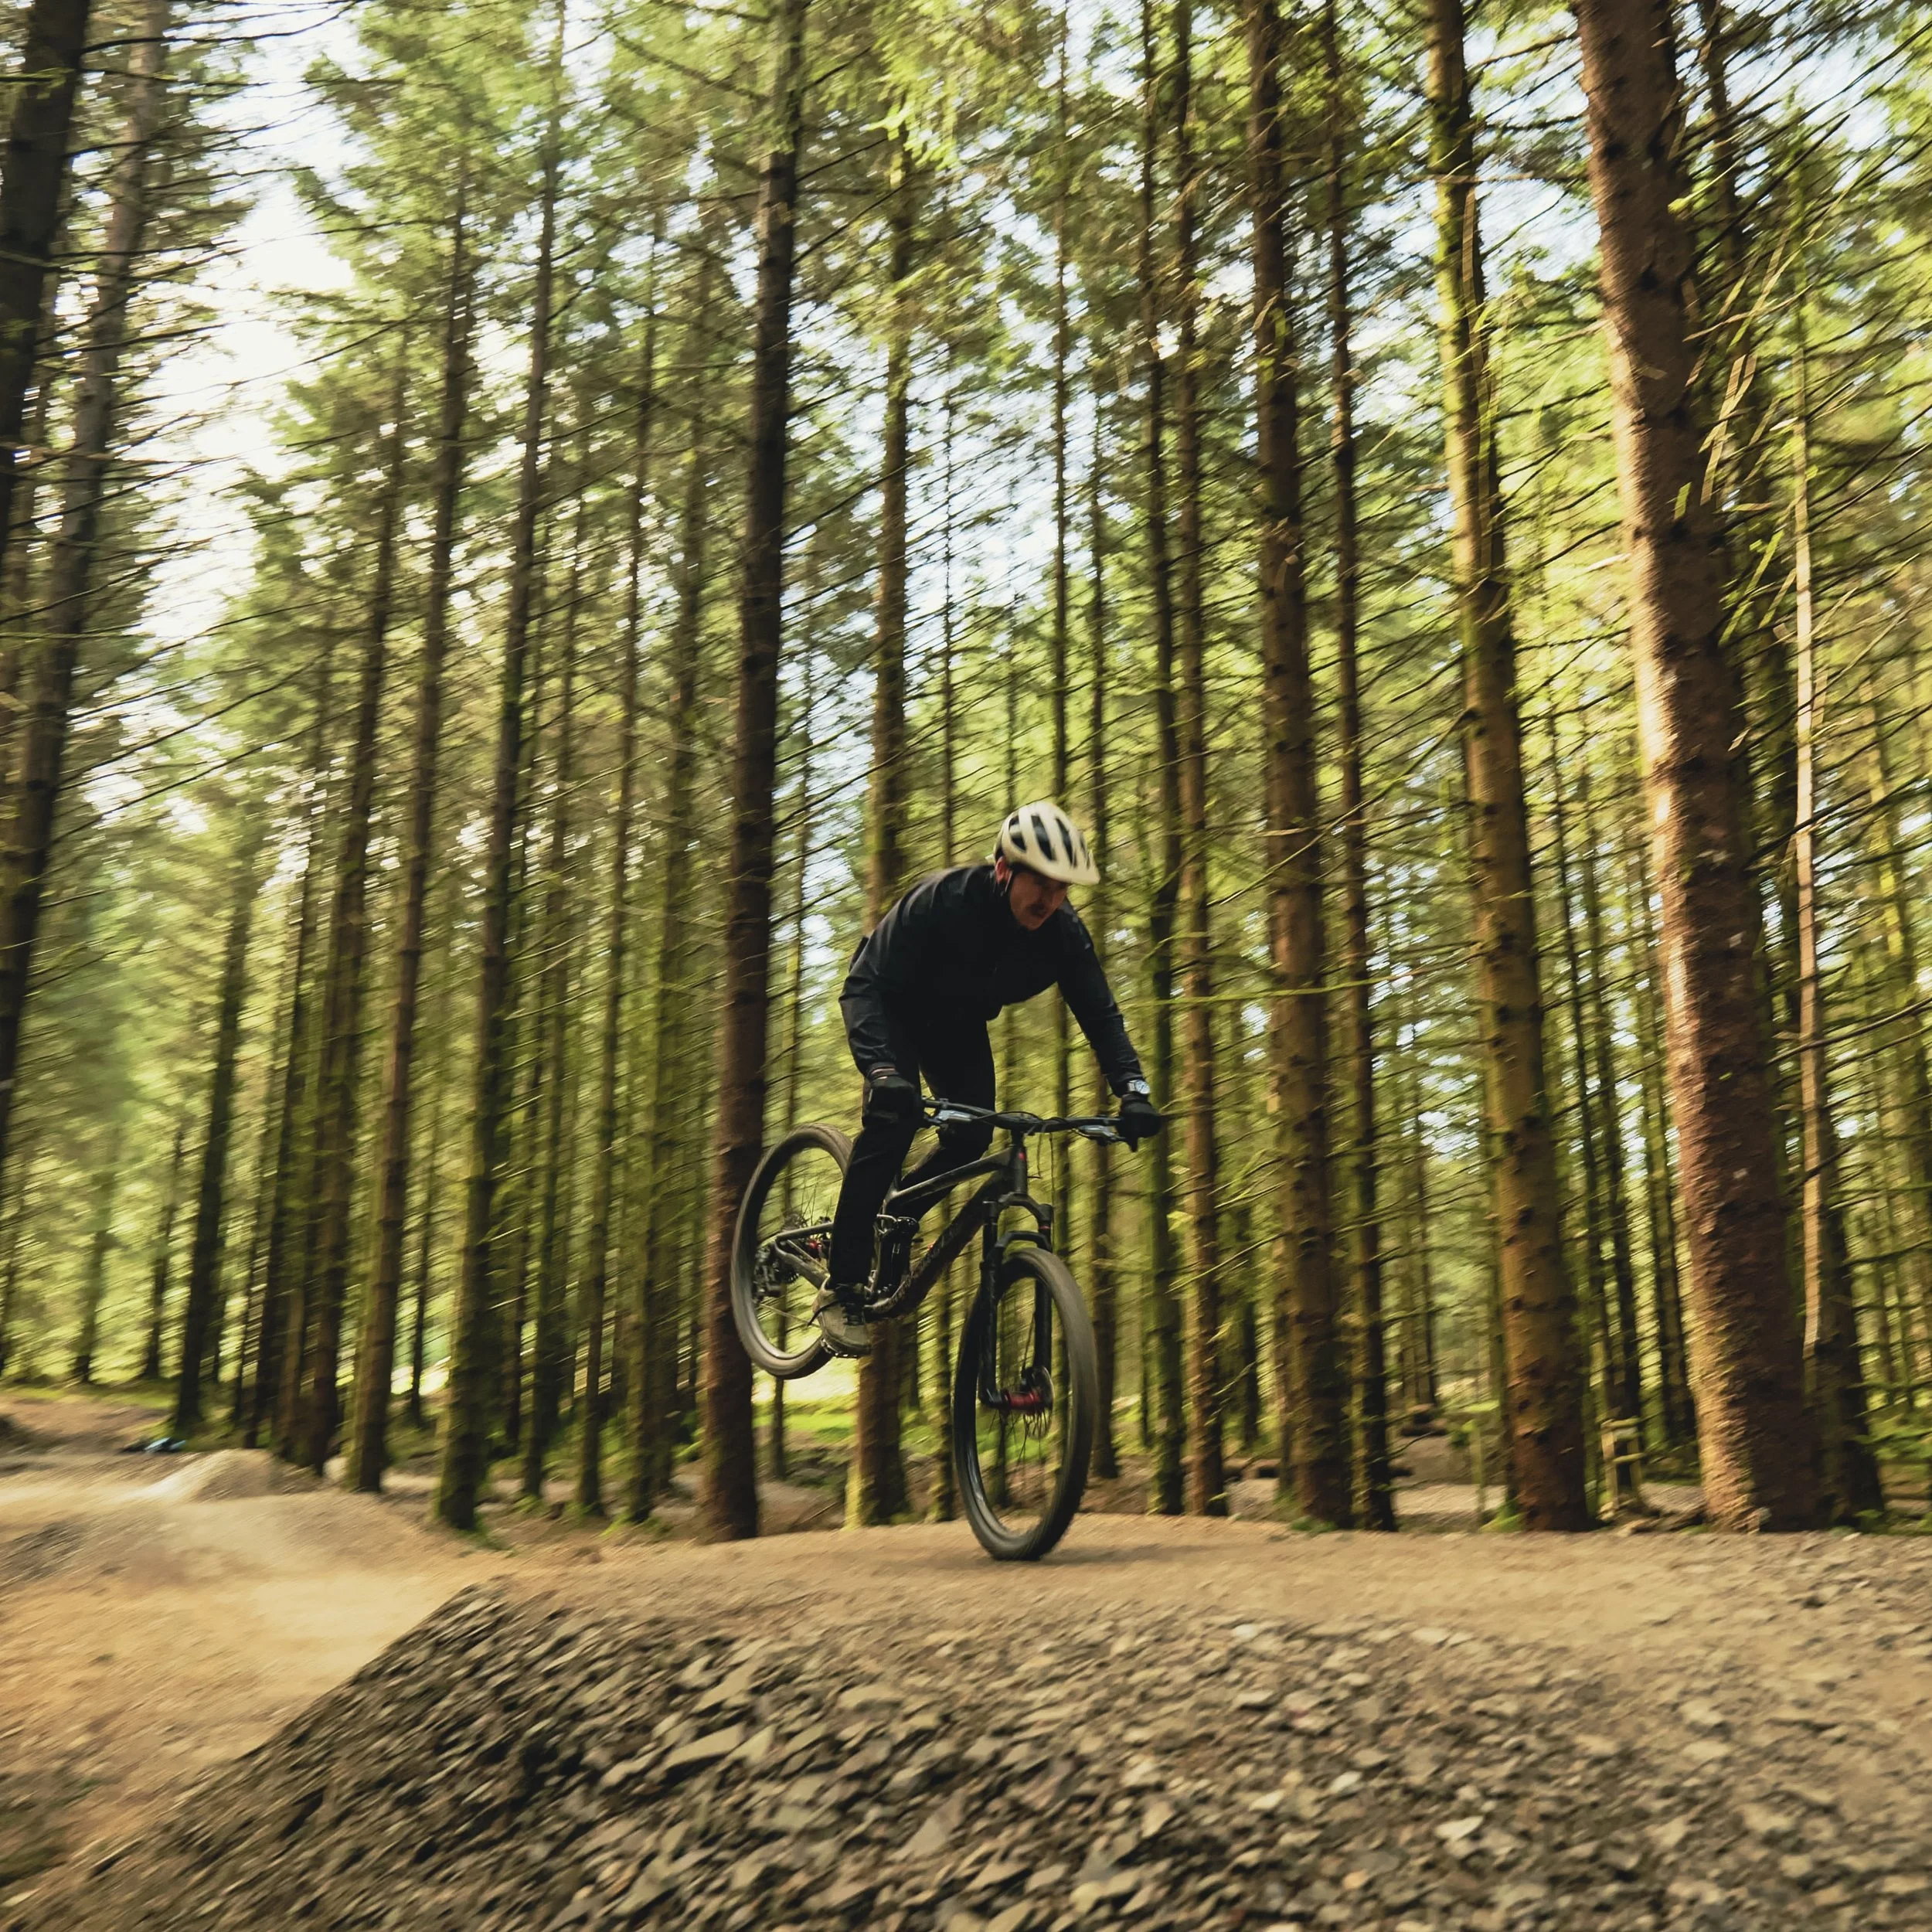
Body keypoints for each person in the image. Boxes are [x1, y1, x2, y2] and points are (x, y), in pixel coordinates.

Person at [818, 800, 1161, 1355]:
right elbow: (864, 986)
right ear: (1004, 870)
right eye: (1041, 885)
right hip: (889, 1004)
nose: (1051, 900)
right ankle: (843, 1288)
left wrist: (1133, 1091)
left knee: (972, 1136)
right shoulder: (942, 900)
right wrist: (883, 1071)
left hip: (955, 1024)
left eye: (1063, 888)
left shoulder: (1063, 935)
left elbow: (1100, 1014)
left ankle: (897, 1213)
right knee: (893, 1121)